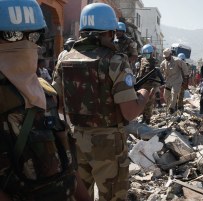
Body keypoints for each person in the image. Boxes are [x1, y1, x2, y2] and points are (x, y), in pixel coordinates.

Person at [52, 3, 149, 200]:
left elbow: (58, 105)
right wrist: (145, 95)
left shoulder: (65, 58)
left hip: (77, 137)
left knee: (79, 195)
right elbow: (129, 112)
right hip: (108, 143)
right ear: (110, 32)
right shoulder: (116, 60)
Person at [0, 0, 90, 200]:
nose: (25, 44)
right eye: (11, 35)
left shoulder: (46, 94)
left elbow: (68, 165)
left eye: (33, 36)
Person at [160, 48, 189, 114]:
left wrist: (186, 78)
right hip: (168, 81)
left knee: (174, 93)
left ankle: (171, 108)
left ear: (170, 54)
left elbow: (185, 67)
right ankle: (170, 106)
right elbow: (160, 71)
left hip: (177, 80)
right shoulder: (164, 62)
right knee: (166, 95)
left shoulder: (177, 60)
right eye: (165, 57)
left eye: (167, 56)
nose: (166, 58)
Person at [137, 44, 158, 124]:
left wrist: (154, 88)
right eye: (145, 54)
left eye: (147, 54)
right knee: (142, 102)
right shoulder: (142, 60)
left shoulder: (154, 62)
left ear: (152, 53)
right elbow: (140, 72)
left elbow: (157, 77)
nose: (146, 56)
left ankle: (147, 119)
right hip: (142, 85)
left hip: (150, 86)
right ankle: (143, 118)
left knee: (149, 103)